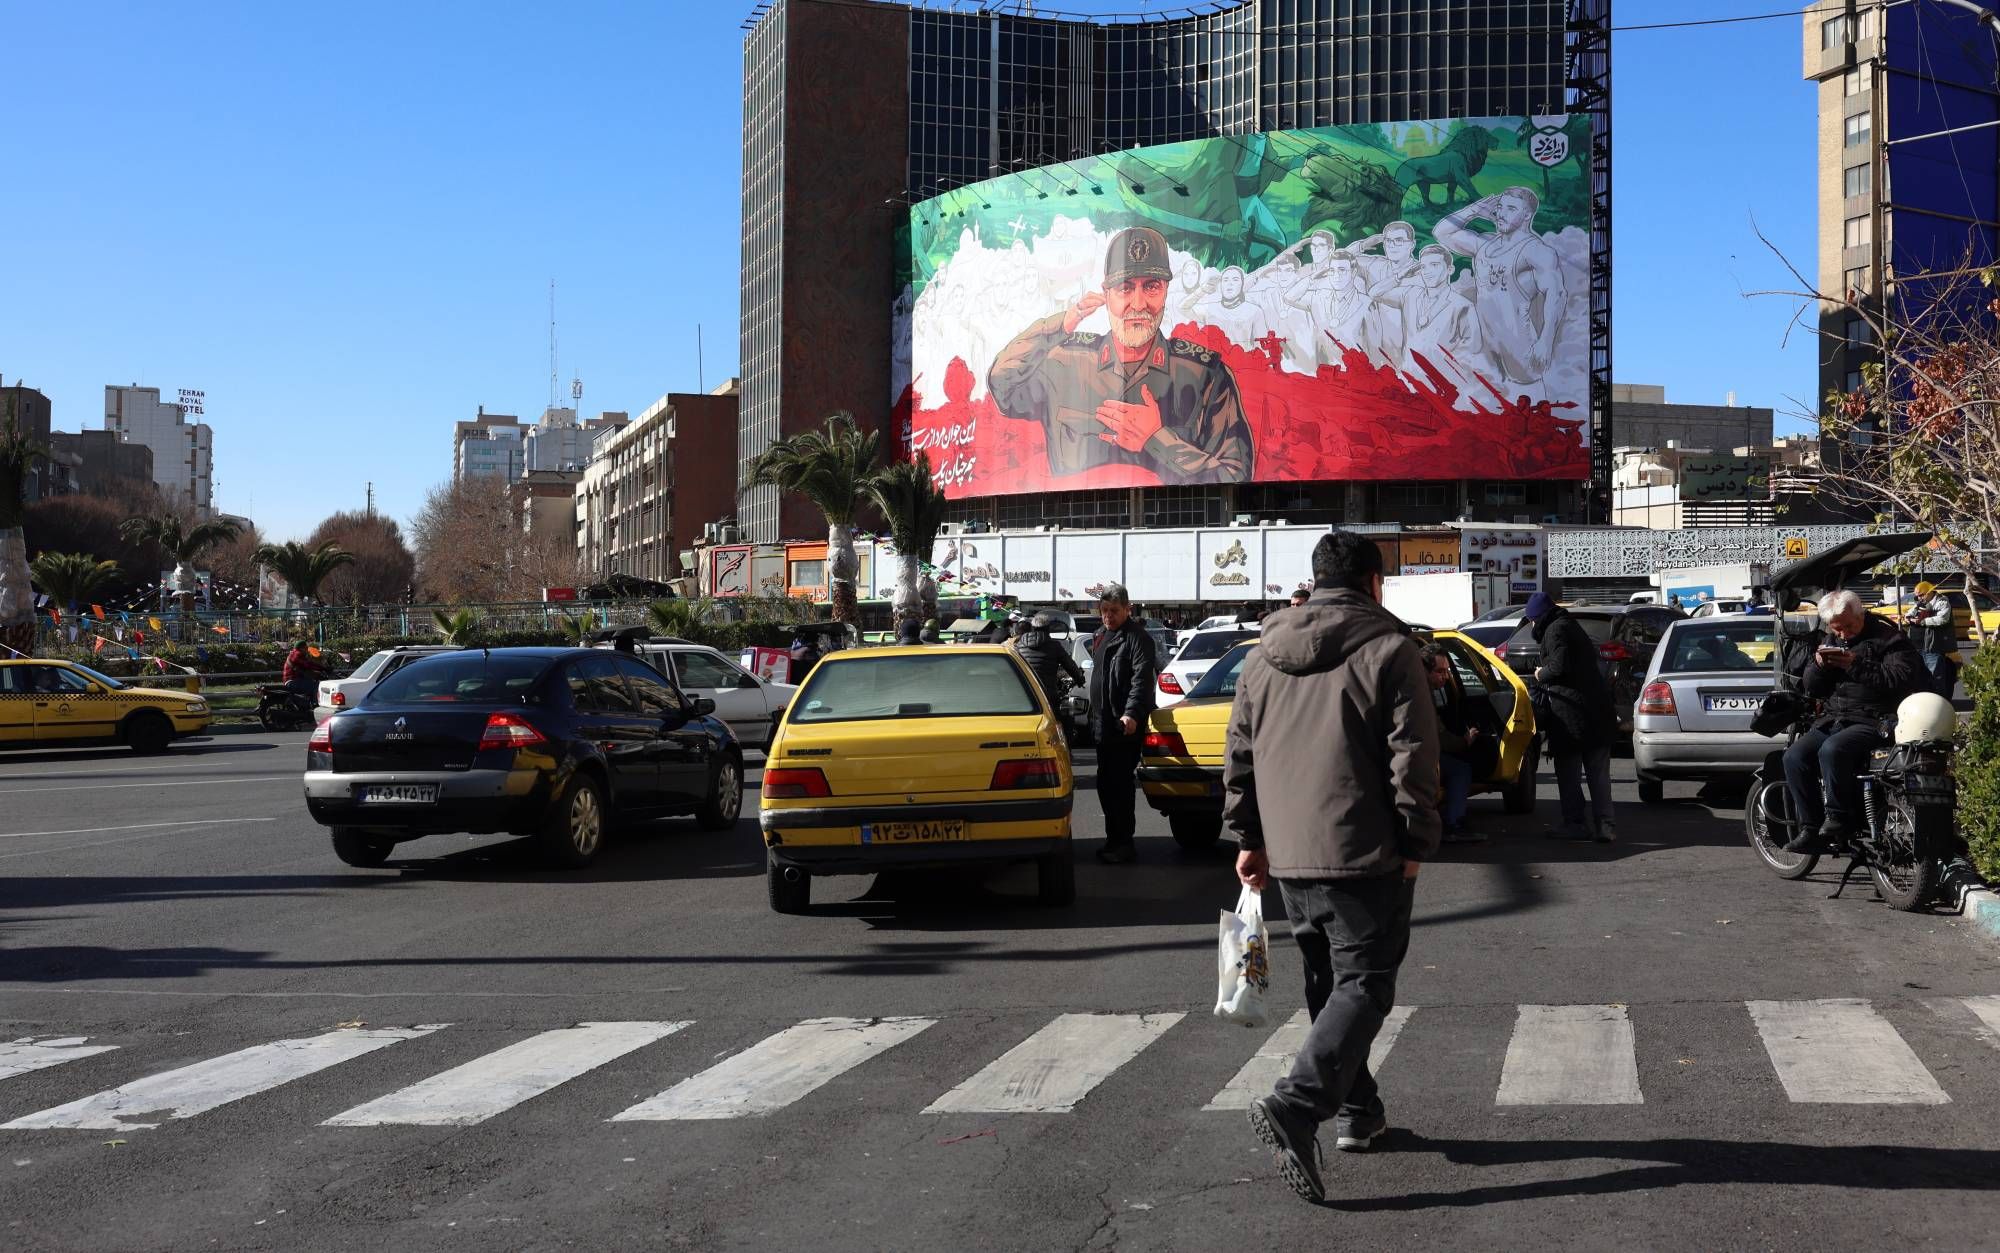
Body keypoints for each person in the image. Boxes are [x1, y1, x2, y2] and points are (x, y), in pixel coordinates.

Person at [1226, 530, 1439, 1204]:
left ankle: (1358, 1108)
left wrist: (1248, 836)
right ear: (1374, 583)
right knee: (1365, 984)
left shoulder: (1262, 655)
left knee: (1329, 983)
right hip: (1364, 850)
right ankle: (1298, 1104)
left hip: (1291, 853)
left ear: (1316, 580)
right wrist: (1416, 842)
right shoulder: (1390, 649)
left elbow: (1240, 752)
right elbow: (1414, 756)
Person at [988, 226, 1256, 484]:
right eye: (1125, 288)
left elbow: (1236, 475)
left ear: (1165, 291)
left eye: (1151, 287)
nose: (1138, 304)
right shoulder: (1066, 361)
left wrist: (1158, 439)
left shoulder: (1204, 375)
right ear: (1106, 294)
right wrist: (1061, 325)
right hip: (1075, 515)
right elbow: (1001, 384)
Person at [1781, 589, 1926, 853]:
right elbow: (1811, 688)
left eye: (1849, 626)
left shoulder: (1889, 638)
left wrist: (1854, 664)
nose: (1844, 634)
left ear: (1861, 615)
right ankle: (1810, 828)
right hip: (1834, 719)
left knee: (1833, 749)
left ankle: (1839, 818)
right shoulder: (1831, 639)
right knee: (1794, 757)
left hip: (1876, 719)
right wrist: (1818, 666)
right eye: (1837, 629)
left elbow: (1899, 679)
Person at [1431, 187, 1567, 404]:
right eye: (1500, 207)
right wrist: (1475, 210)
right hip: (1484, 342)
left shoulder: (1536, 251)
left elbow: (1556, 294)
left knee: (1528, 405)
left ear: (1527, 215)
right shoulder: (1484, 244)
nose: (1501, 213)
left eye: (1511, 208)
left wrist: (1545, 341)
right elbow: (1442, 233)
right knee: (1485, 406)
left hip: (1518, 344)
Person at [1521, 592, 1616, 843]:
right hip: (1597, 713)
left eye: (1531, 620)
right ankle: (1605, 825)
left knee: (1569, 773)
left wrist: (1541, 674)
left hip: (1571, 716)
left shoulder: (1555, 630)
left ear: (1537, 617)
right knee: (1598, 775)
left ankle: (1575, 824)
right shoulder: (1571, 625)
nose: (1531, 625)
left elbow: (1558, 666)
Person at [1087, 584, 1159, 864]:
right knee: (1105, 783)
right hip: (1102, 722)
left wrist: (1131, 714)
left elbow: (1141, 680)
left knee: (1119, 784)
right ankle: (1113, 840)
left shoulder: (1137, 638)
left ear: (1128, 609)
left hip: (1123, 724)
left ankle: (1123, 843)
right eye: (1104, 610)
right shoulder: (1100, 635)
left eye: (1114, 611)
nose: (1108, 616)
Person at [1420, 642, 1491, 844]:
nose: (1445, 676)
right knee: (1460, 770)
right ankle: (1454, 824)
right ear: (1424, 670)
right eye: (1440, 671)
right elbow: (1440, 738)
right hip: (1420, 759)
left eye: (1447, 671)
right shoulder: (1421, 695)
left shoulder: (1419, 688)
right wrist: (1465, 741)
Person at [1010, 612, 1086, 721]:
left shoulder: (1019, 645)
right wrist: (1079, 679)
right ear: (1048, 628)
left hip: (1023, 693)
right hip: (1047, 693)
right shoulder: (1054, 645)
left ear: (1033, 628)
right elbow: (1070, 665)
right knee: (1058, 720)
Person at [1903, 581, 1958, 698]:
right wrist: (1907, 618)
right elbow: (1910, 613)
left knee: (1935, 678)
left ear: (1929, 592)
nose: (1919, 598)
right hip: (1916, 647)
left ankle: (1939, 702)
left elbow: (1942, 619)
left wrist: (1921, 621)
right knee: (1919, 678)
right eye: (1917, 596)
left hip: (1932, 648)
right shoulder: (1920, 603)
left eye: (1921, 595)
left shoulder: (1942, 602)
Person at [282, 638, 325, 705]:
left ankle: (306, 704)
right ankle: (315, 704)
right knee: (316, 686)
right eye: (306, 648)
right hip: (292, 681)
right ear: (301, 648)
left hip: (293, 680)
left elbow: (306, 665)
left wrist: (318, 669)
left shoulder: (294, 654)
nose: (307, 650)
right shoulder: (297, 654)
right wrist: (323, 668)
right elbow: (307, 664)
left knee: (310, 681)